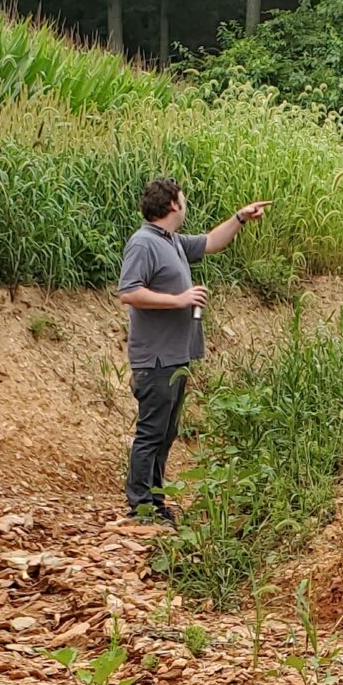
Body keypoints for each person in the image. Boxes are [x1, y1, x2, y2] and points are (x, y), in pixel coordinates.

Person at [116, 175, 265, 522]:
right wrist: (179, 299)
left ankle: (155, 501)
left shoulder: (172, 241)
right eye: (183, 200)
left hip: (176, 356)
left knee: (166, 432)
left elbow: (212, 242)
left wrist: (240, 218)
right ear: (172, 205)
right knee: (152, 432)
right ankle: (140, 505)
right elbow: (128, 292)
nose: (185, 205)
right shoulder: (143, 243)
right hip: (155, 358)